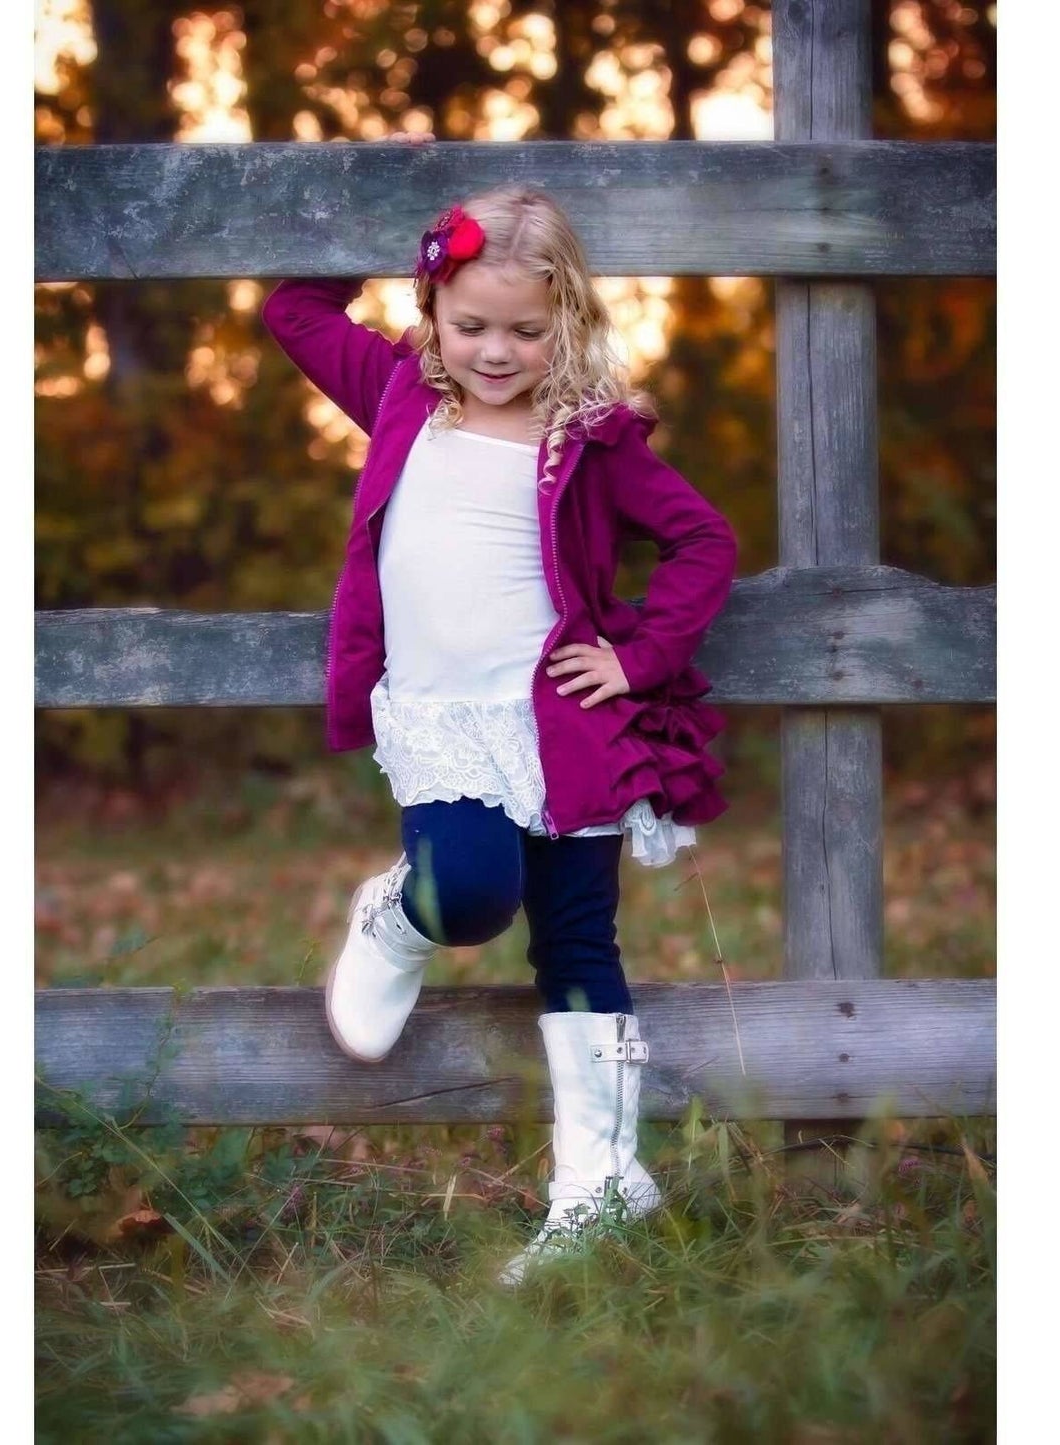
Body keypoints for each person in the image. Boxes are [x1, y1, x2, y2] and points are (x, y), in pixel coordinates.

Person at [262, 174, 737, 1287]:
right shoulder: (394, 390)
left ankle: (601, 1183)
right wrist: (379, 216)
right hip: (442, 720)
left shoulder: (591, 438)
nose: (494, 349)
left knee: (577, 938)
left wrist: (638, 657)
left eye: (525, 328)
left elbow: (701, 541)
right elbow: (293, 313)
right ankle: (395, 917)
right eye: (469, 322)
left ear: (564, 320)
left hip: (564, 726)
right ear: (430, 309)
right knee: (470, 890)